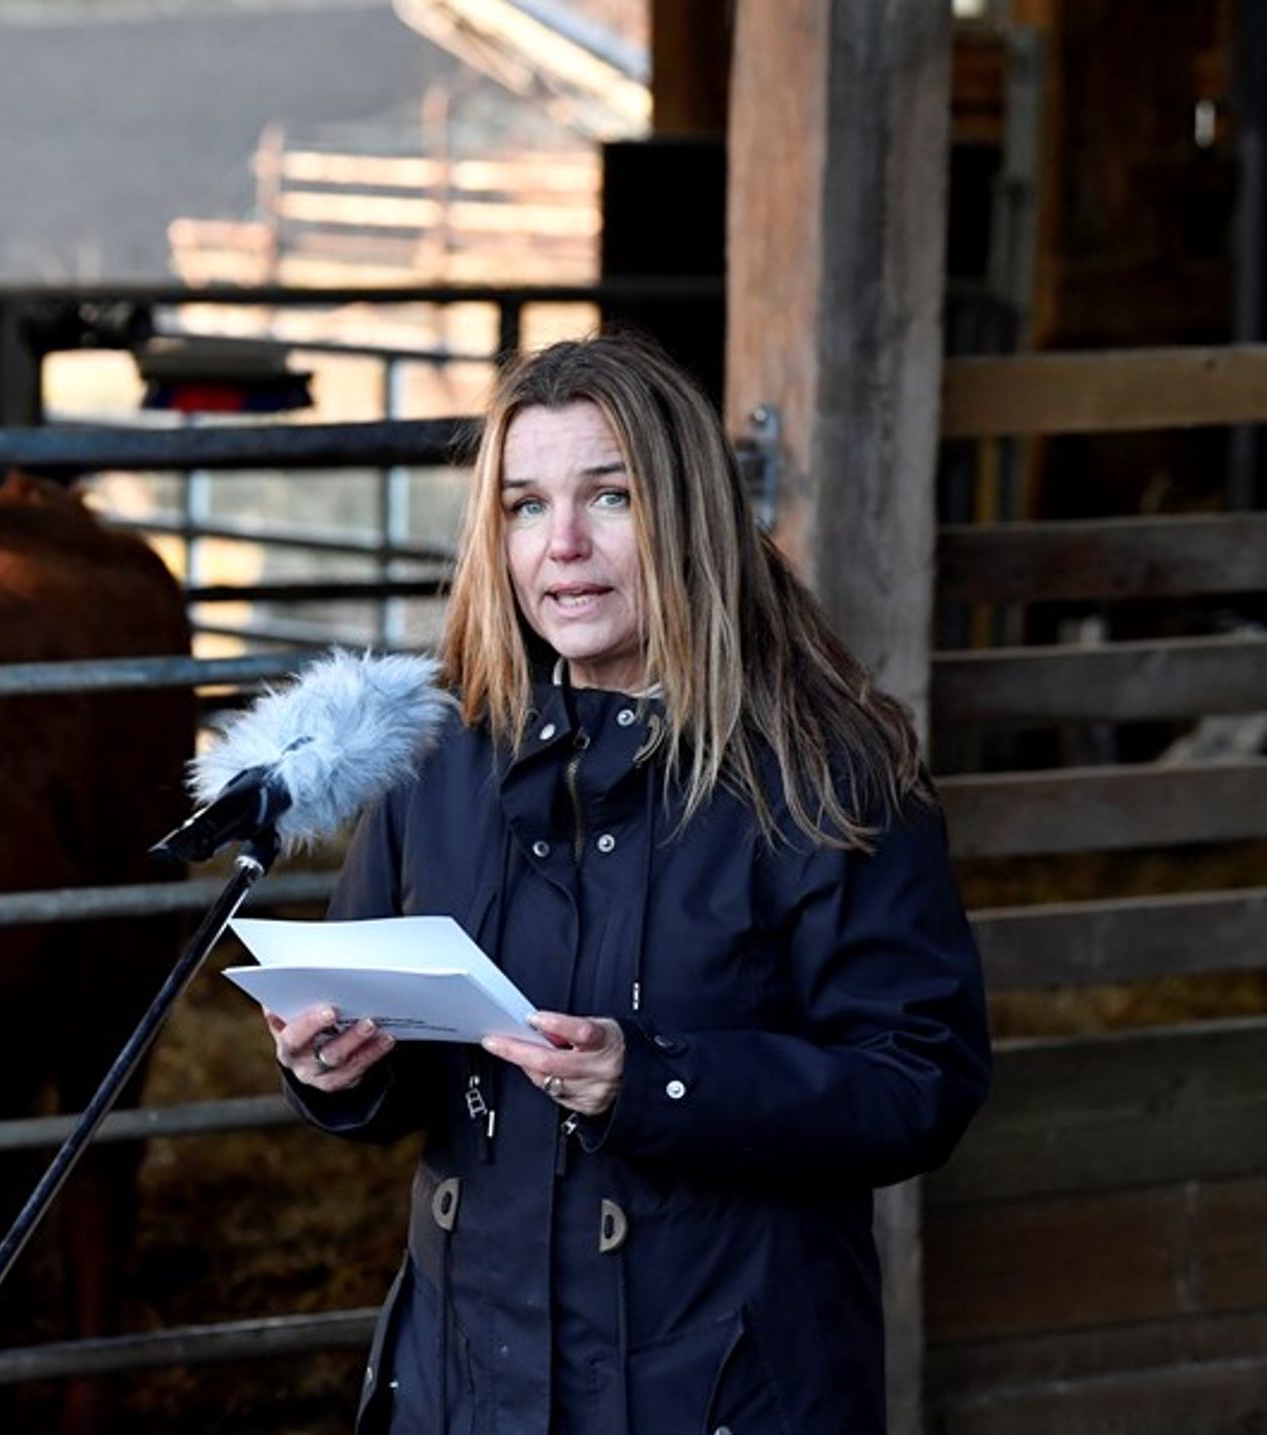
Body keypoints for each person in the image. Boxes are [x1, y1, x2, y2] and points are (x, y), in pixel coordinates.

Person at [262, 333, 992, 1433]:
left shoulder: (822, 772)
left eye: (608, 498)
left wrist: (654, 1084)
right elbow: (399, 1067)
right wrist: (337, 1071)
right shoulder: (441, 760)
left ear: (685, 512)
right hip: (470, 1379)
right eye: (522, 506)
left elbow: (918, 1080)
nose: (560, 546)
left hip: (722, 1385)